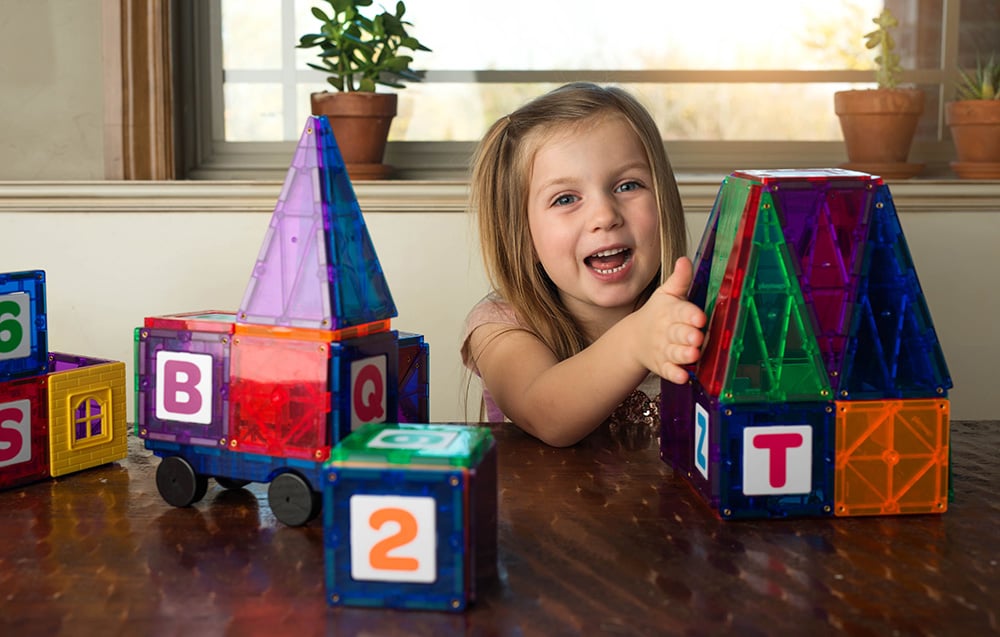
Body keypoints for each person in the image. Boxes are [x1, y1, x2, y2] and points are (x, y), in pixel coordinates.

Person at [461, 82, 707, 447]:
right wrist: (637, 340)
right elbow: (545, 413)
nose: (605, 216)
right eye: (565, 199)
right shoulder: (499, 327)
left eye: (627, 186)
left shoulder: (702, 314)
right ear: (523, 236)